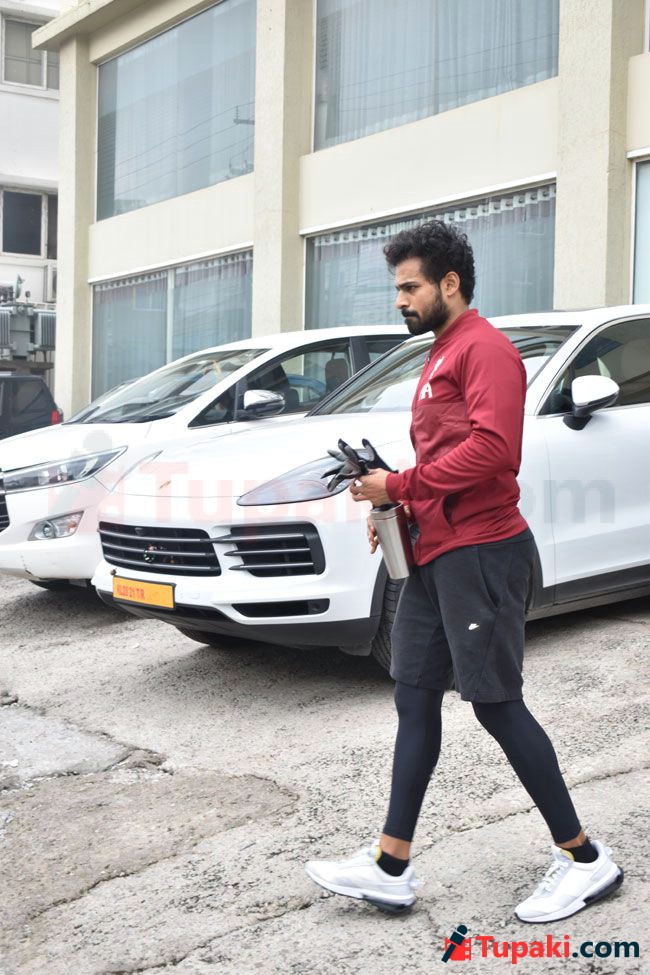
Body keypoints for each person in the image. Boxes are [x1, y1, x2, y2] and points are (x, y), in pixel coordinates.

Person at [304, 221, 623, 921]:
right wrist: (398, 505)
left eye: (409, 286)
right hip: (436, 552)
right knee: (414, 695)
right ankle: (390, 864)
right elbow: (446, 455)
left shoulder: (485, 350)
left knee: (495, 703)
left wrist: (401, 484)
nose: (400, 300)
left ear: (449, 283)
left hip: (482, 554)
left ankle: (584, 859)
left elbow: (495, 451)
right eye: (397, 288)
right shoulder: (443, 350)